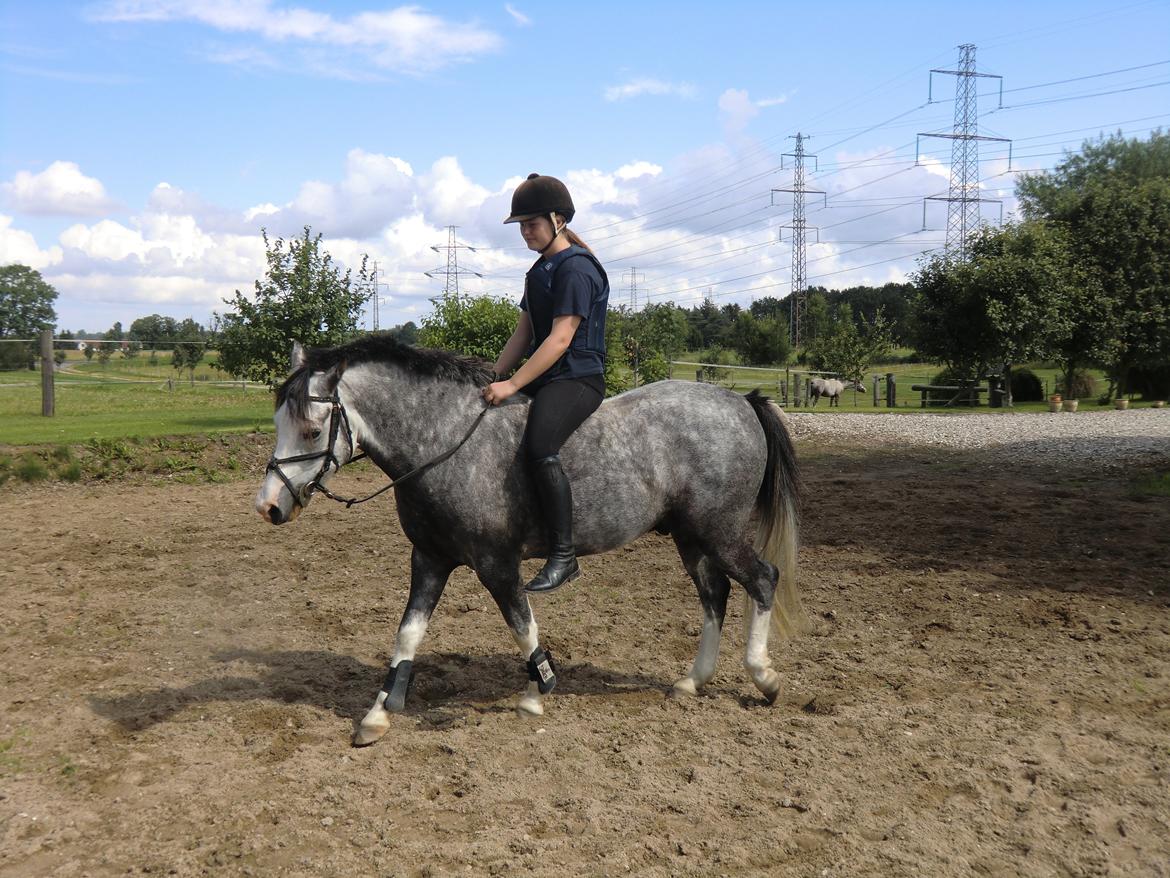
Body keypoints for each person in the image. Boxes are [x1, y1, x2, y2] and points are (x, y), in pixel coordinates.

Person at [482, 173, 609, 593]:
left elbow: (559, 339)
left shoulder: (575, 268)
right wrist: (493, 375)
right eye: (520, 225)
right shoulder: (539, 271)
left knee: (540, 445)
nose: (524, 232)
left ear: (557, 219)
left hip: (577, 378)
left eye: (531, 224)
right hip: (547, 374)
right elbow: (523, 333)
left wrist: (514, 383)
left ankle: (563, 555)